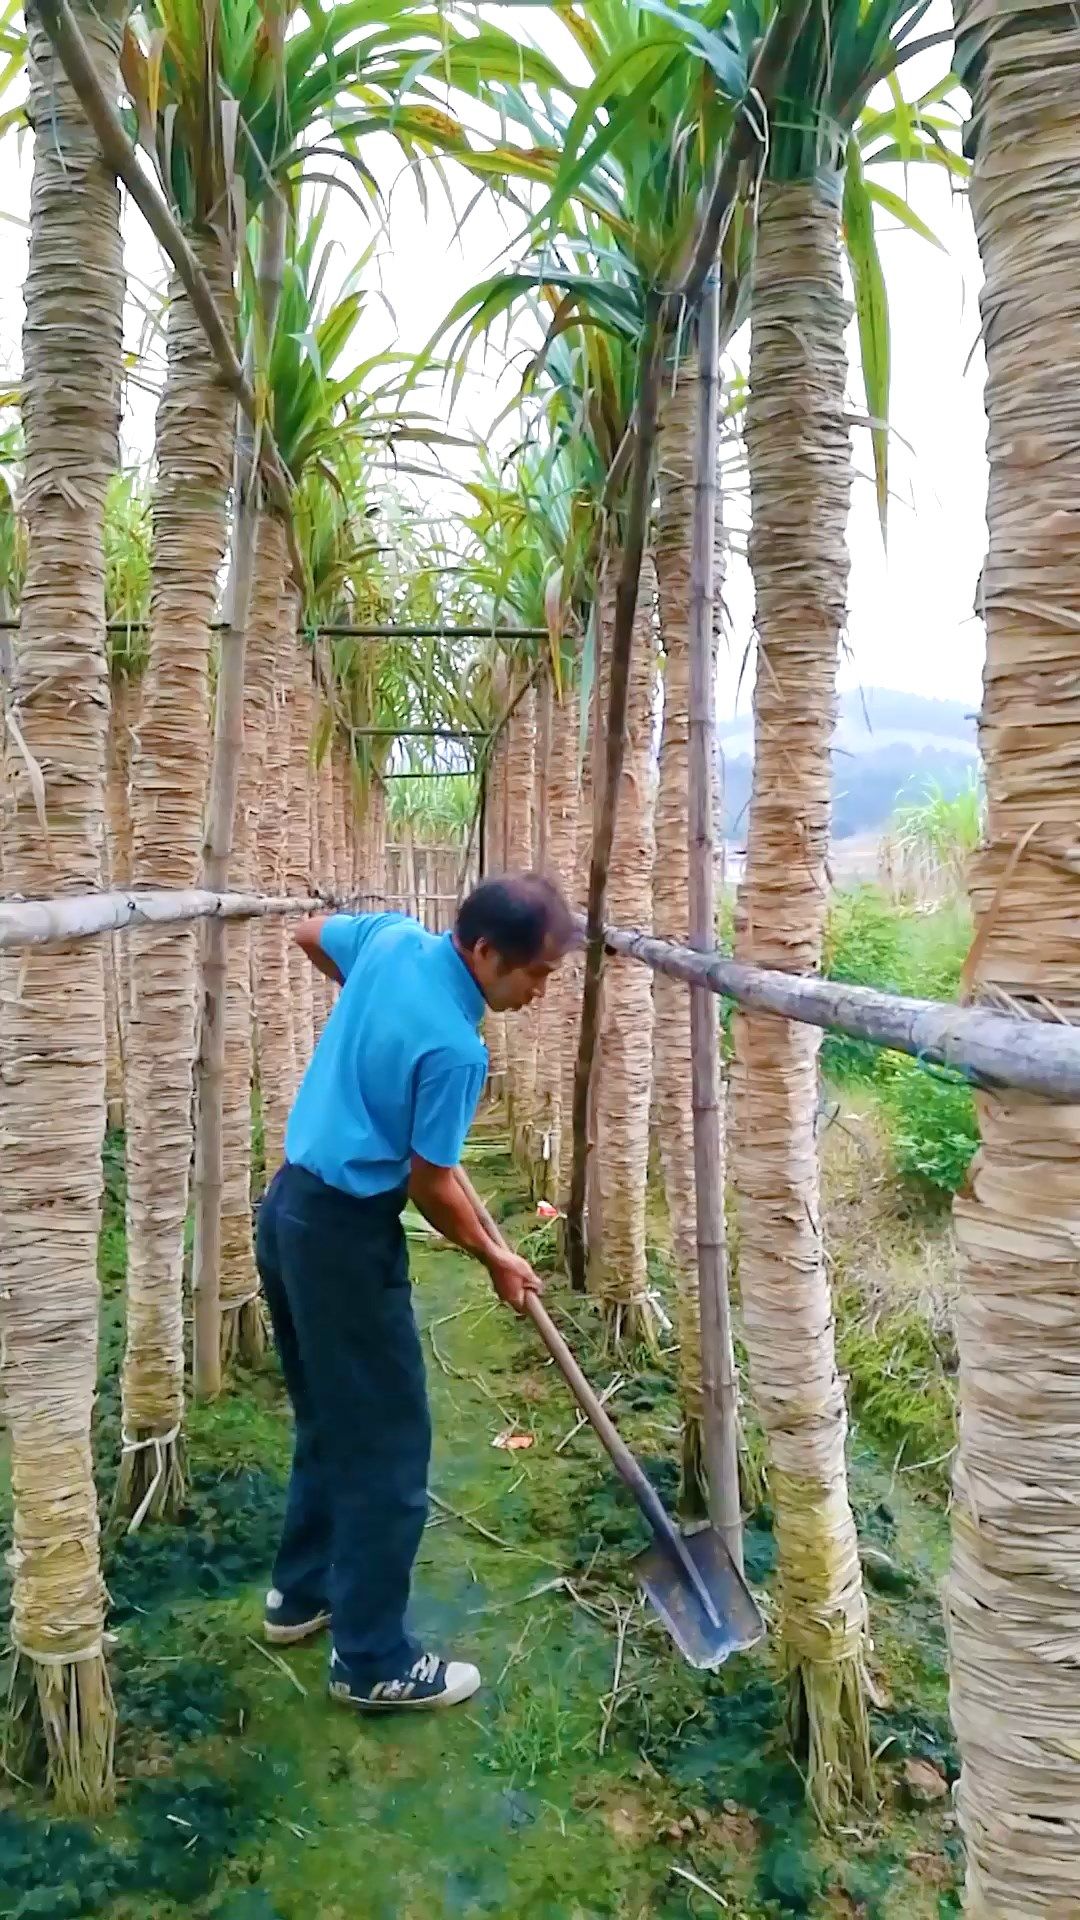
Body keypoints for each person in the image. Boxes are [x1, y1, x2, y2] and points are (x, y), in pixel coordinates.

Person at [255, 871, 574, 1714]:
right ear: (483, 951)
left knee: (330, 1416)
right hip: (346, 1244)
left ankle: (302, 1594)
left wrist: (367, 1018)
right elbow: (432, 1187)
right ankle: (371, 1661)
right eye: (534, 974)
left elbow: (311, 933)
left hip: (287, 1210)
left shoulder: (392, 941)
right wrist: (495, 1260)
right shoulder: (456, 1051)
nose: (541, 993)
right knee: (391, 1450)